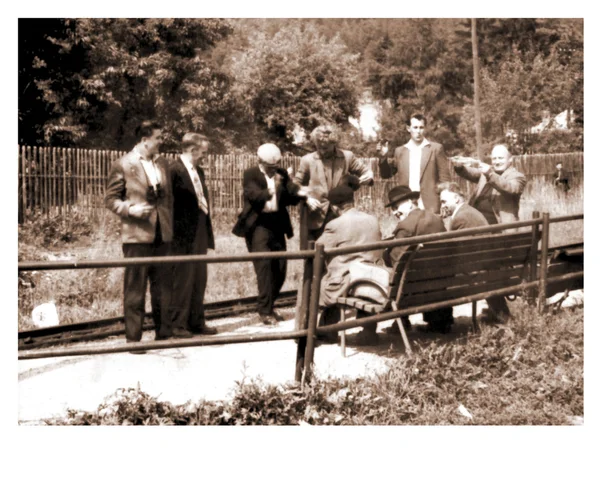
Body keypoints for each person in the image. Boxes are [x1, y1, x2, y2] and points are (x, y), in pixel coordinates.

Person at [104, 121, 173, 350]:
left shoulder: (162, 163)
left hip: (162, 234)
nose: (161, 142)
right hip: (136, 235)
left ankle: (164, 334)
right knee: (135, 288)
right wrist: (130, 209)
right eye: (158, 138)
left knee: (162, 287)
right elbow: (110, 200)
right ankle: (133, 340)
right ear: (145, 140)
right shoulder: (124, 164)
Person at [232, 143, 303, 325]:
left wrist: (302, 192)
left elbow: (290, 198)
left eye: (276, 167)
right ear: (260, 162)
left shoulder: (281, 174)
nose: (274, 171)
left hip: (277, 224)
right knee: (264, 268)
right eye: (270, 168)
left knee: (280, 269)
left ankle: (270, 306)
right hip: (258, 226)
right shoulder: (251, 174)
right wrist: (276, 187)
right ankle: (264, 311)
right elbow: (256, 197)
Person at [316, 175, 383, 345]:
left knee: (320, 284)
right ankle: (369, 331)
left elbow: (318, 249)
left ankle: (326, 332)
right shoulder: (372, 220)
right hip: (372, 279)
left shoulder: (335, 225)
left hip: (348, 283)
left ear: (334, 207)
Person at [382, 185, 453, 333]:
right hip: (440, 284)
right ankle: (439, 321)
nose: (395, 212)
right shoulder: (436, 219)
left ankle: (402, 322)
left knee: (398, 276)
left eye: (396, 207)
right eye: (393, 209)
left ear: (409, 202)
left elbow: (396, 262)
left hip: (414, 287)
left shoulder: (405, 226)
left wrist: (385, 252)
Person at [437, 181, 511, 322]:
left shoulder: (461, 218)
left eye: (444, 201)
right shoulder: (469, 211)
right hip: (488, 269)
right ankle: (502, 317)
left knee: (437, 277)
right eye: (441, 203)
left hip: (476, 273)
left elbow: (454, 251)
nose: (442, 206)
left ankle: (441, 324)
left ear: (456, 198)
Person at [168, 133, 217, 338]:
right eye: (203, 153)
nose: (205, 157)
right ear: (192, 150)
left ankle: (196, 321)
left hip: (199, 231)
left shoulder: (199, 172)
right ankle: (178, 324)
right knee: (182, 279)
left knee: (199, 278)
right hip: (181, 235)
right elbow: (169, 204)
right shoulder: (173, 170)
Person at [294, 124, 374, 240]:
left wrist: (366, 178)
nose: (322, 150)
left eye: (325, 147)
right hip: (315, 217)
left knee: (338, 253)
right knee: (312, 255)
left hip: (340, 215)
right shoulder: (307, 160)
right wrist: (307, 199)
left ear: (334, 143)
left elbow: (366, 172)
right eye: (319, 147)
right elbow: (295, 185)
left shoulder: (347, 157)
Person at [378, 113, 450, 214]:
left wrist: (445, 203)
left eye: (421, 127)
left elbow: (445, 179)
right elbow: (386, 175)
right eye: (415, 127)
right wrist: (383, 156)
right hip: (407, 203)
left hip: (430, 204)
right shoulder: (400, 151)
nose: (418, 131)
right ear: (408, 128)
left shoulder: (436, 149)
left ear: (425, 129)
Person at [453, 144, 527, 226]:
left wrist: (489, 174)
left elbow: (511, 188)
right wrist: (460, 166)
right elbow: (471, 172)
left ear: (510, 159)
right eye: (494, 159)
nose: (497, 162)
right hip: (477, 224)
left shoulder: (517, 176)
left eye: (500, 158)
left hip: (500, 228)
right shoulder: (487, 173)